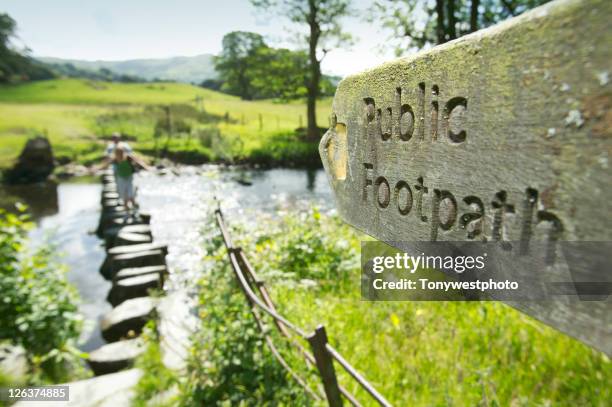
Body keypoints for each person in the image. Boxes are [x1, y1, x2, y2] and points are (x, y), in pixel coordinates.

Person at [99, 144, 151, 214]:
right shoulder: (115, 160)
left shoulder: (128, 157)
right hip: (121, 179)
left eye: (120, 153)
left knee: (131, 196)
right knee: (125, 198)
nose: (119, 155)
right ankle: (127, 212)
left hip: (130, 179)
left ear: (123, 152)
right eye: (117, 154)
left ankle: (135, 209)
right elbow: (105, 165)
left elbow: (138, 161)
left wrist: (146, 167)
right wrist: (96, 169)